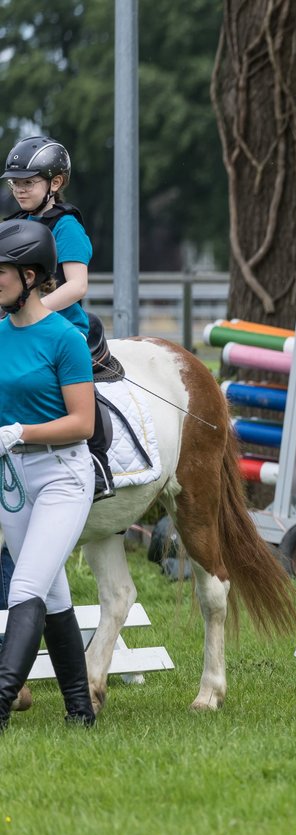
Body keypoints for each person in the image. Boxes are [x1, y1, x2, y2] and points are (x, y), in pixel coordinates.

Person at [0, 219, 97, 731]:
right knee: (54, 592)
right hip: (12, 482)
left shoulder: (64, 339)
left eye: (1, 272)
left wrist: (18, 433)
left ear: (30, 275)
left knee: (26, 585)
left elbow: (83, 423)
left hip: (62, 474)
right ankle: (81, 711)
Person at [3, 134, 114, 502]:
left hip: (63, 327)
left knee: (77, 381)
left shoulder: (66, 227)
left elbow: (78, 285)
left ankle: (98, 462)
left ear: (55, 183)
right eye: (14, 182)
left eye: (28, 182)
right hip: (18, 324)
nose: (19, 189)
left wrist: (35, 313)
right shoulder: (15, 223)